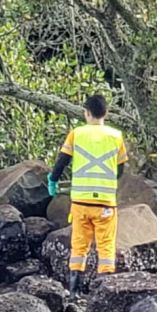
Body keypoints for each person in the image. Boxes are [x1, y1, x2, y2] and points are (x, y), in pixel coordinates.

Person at [47, 95, 128, 300]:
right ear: (106, 114)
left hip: (81, 202)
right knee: (106, 244)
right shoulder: (116, 136)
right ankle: (104, 293)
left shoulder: (76, 134)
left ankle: (74, 291)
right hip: (105, 202)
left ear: (87, 113)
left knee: (79, 244)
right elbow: (120, 169)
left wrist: (53, 181)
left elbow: (61, 162)